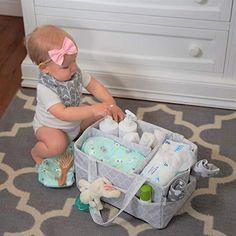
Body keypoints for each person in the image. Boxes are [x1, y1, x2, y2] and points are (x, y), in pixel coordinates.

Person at [25, 25, 124, 165]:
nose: (73, 68)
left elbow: (95, 86)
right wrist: (91, 110)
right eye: (65, 66)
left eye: (74, 61)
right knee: (58, 145)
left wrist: (111, 104)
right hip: (51, 127)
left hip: (75, 120)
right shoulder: (45, 88)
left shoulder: (75, 72)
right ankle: (37, 152)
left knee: (104, 112)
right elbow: (62, 113)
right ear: (44, 68)